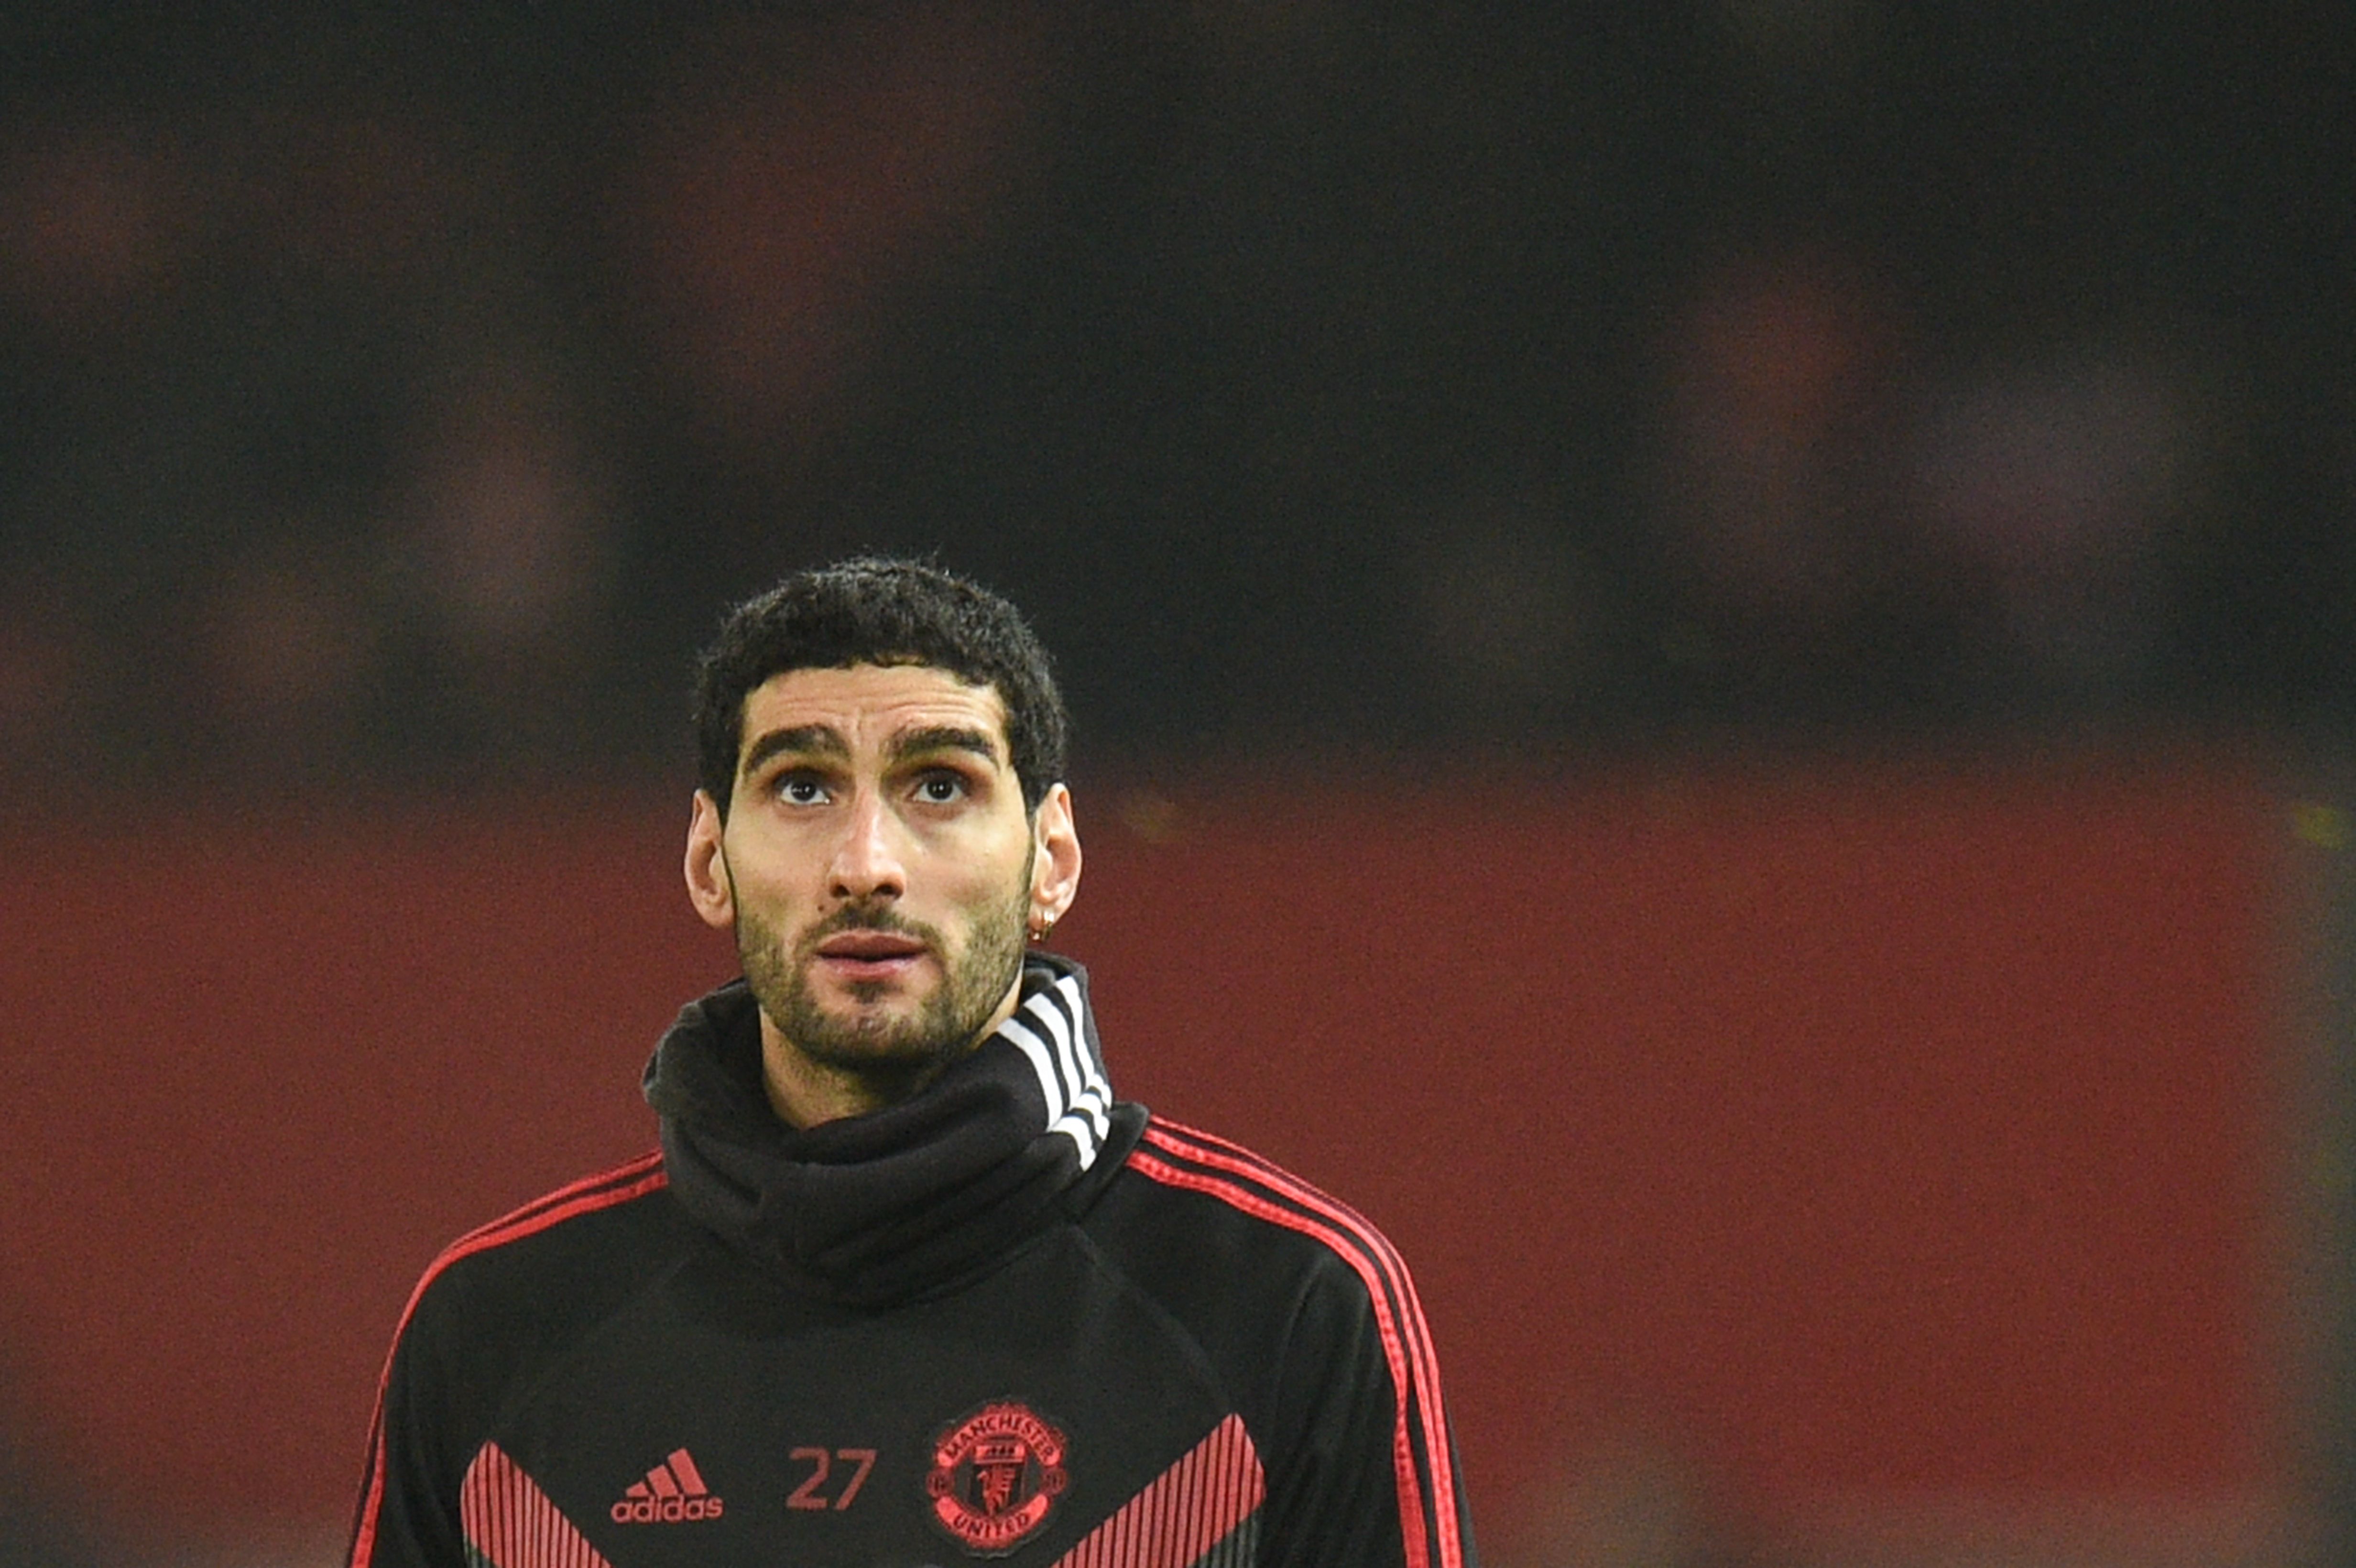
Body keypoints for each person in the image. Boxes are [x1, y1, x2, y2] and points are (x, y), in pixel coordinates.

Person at [345, 557, 1476, 1568]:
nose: (866, 863)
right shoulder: (495, 1330)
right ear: (707, 858)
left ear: (1053, 859)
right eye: (801, 786)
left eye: (940, 784)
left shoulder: (1285, 1307)